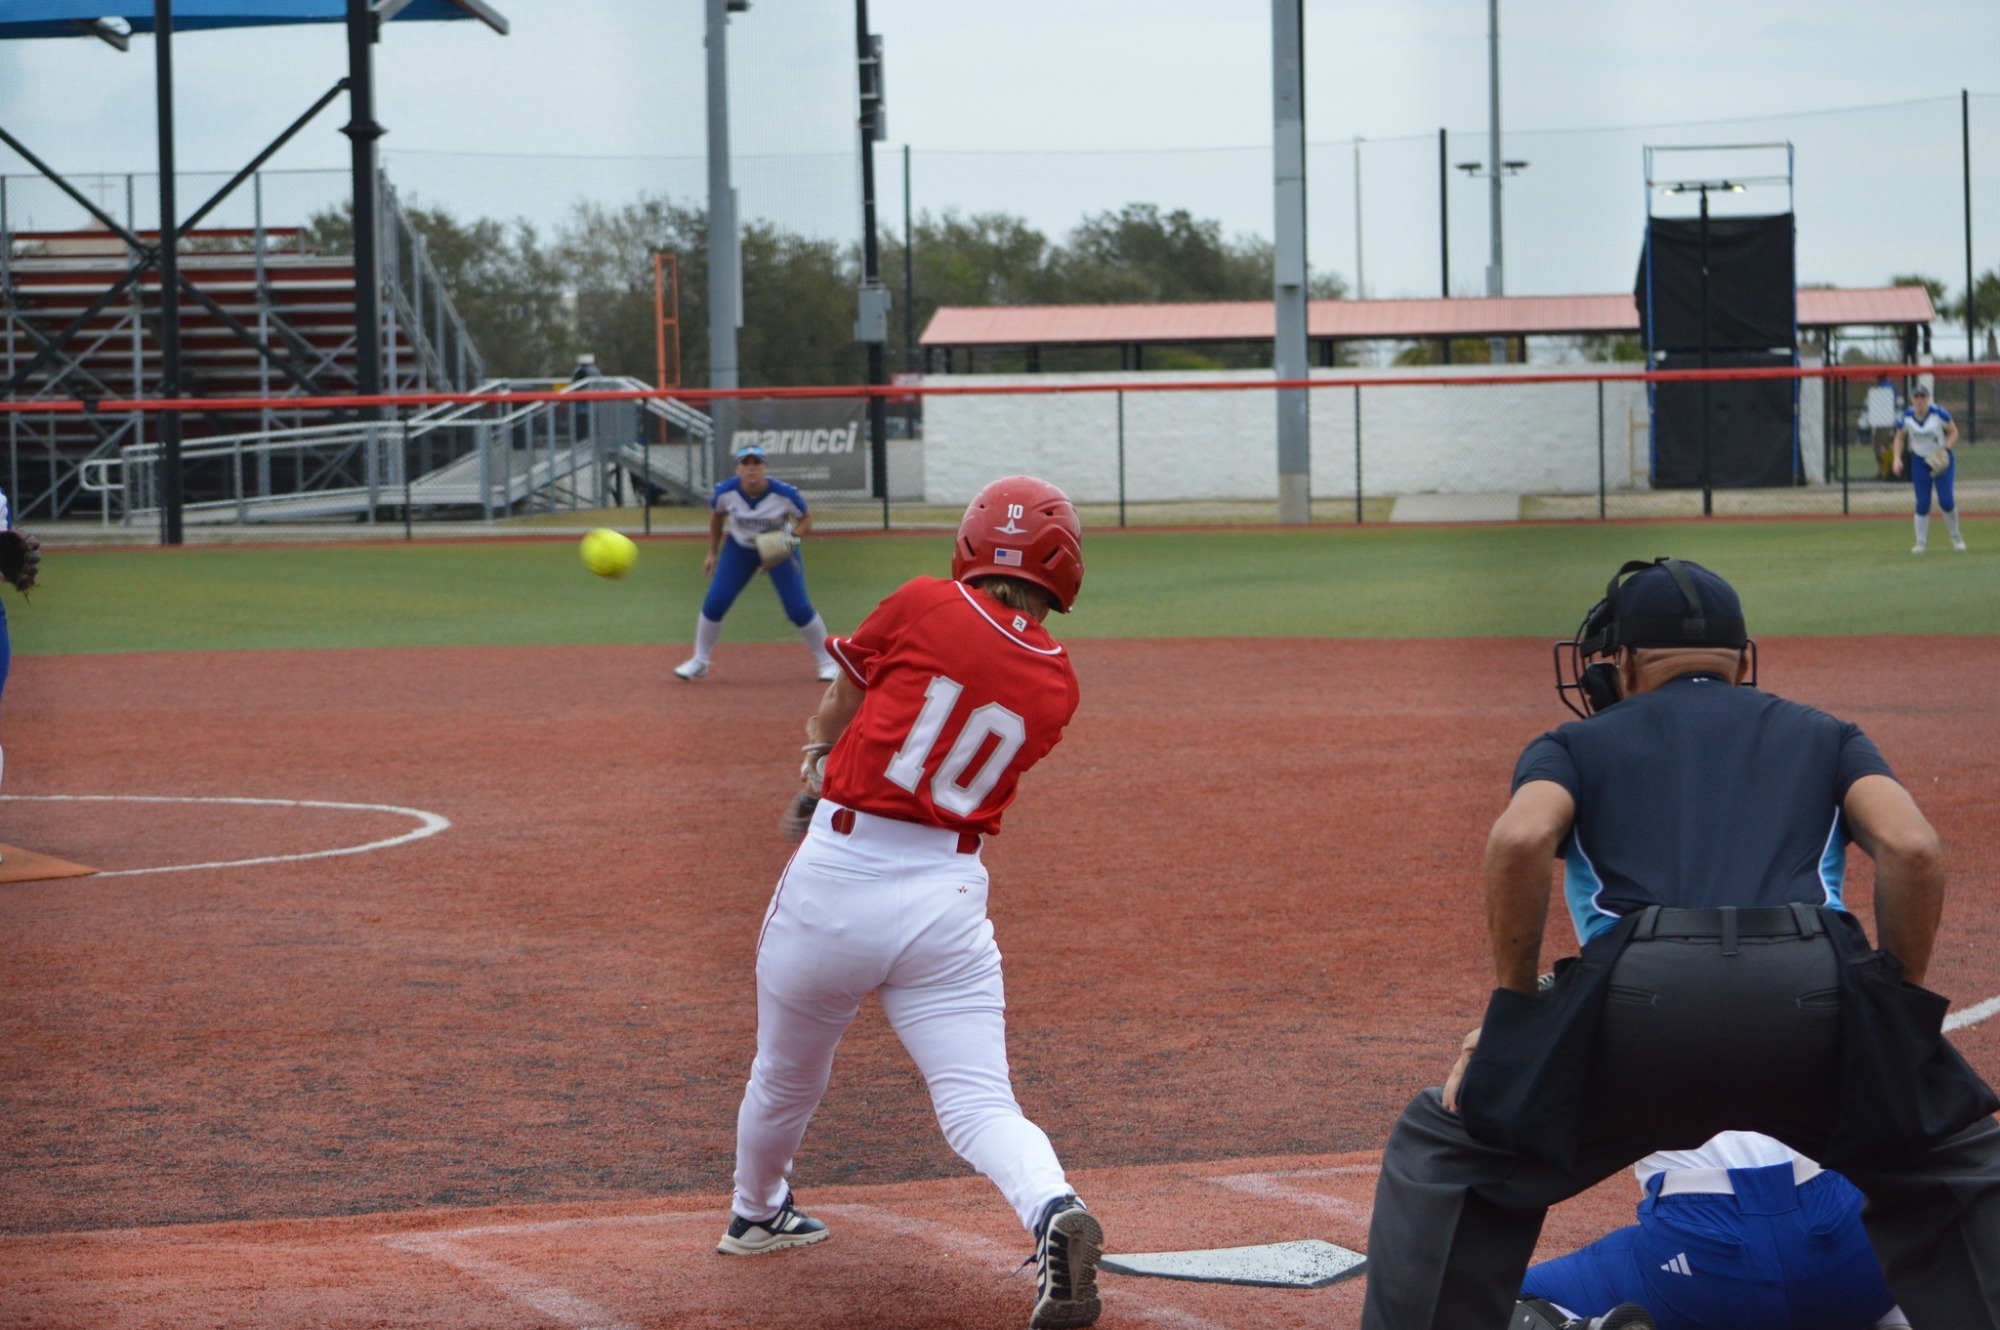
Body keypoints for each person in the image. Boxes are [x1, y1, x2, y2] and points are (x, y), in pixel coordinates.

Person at [1358, 557, 2000, 1330]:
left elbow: (1520, 839)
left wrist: (1518, 1013)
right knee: (1957, 1158)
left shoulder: (1574, 744)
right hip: (1813, 998)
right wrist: (1895, 1017)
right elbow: (1914, 848)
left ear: (1624, 664)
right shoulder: (1827, 735)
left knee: (1445, 1152)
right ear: (1743, 660)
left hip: (1639, 1004)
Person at [718, 476, 1104, 1330]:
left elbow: (846, 696)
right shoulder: (1059, 684)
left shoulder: (927, 601)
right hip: (947, 897)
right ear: (1063, 570)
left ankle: (757, 1211)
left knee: (785, 1075)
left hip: (839, 875)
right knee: (980, 1102)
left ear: (971, 544)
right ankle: (1053, 1206)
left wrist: (818, 755)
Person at [1517, 1132, 1909, 1330]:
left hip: (1705, 1270)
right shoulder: (1823, 999)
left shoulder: (1628, 1013)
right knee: (1903, 1222)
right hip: (1849, 1245)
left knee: (1502, 1295)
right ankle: (1897, 1315)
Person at [674, 443, 837, 682]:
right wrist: (712, 553)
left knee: (798, 609)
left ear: (764, 468)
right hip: (740, 549)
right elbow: (717, 518)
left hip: (778, 548)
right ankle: (700, 660)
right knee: (715, 602)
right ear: (738, 469)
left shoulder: (783, 494)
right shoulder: (725, 492)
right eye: (746, 463)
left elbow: (806, 518)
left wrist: (791, 541)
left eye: (757, 463)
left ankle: (828, 662)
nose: (751, 468)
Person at [1891, 380, 1964, 553]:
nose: (1919, 401)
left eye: (1922, 397)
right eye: (1916, 397)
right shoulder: (1906, 417)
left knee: (1946, 500)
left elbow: (1953, 432)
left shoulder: (1938, 414)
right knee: (1922, 503)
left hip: (1940, 459)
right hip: (1920, 460)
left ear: (1928, 398)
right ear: (1911, 400)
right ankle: (1921, 542)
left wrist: (1945, 448)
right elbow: (1899, 437)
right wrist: (1896, 458)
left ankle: (1955, 536)